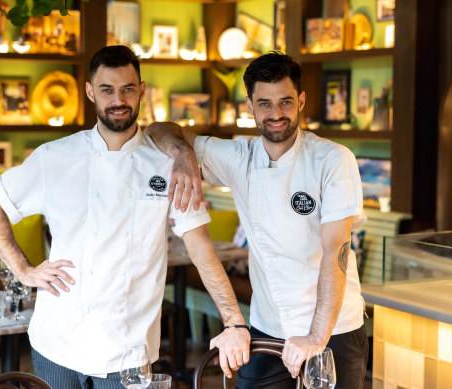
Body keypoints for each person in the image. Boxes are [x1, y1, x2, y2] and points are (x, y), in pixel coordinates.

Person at [0, 45, 250, 389]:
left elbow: (200, 247)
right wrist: (24, 269)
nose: (118, 99)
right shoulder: (55, 157)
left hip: (129, 349)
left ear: (142, 91)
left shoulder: (167, 165)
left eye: (127, 89)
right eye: (107, 89)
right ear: (90, 91)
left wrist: (234, 321)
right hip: (58, 339)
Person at [146, 52, 369, 389]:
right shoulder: (239, 157)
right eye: (264, 103)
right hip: (268, 325)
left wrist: (315, 337)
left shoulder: (334, 160)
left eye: (285, 102)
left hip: (333, 328)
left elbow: (335, 251)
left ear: (301, 101)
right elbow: (157, 130)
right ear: (249, 104)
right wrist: (183, 154)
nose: (276, 113)